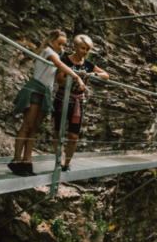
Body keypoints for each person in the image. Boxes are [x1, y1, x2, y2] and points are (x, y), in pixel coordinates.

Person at [9, 29, 86, 176]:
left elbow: (57, 76)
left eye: (63, 44)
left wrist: (77, 73)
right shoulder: (47, 50)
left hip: (46, 91)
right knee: (28, 125)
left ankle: (27, 161)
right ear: (51, 40)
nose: (61, 47)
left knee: (35, 127)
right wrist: (77, 77)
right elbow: (60, 65)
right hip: (35, 88)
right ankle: (16, 161)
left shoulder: (55, 54)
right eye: (59, 43)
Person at [52, 34, 109, 171]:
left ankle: (66, 163)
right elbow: (60, 80)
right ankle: (58, 161)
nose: (85, 51)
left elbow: (106, 75)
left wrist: (91, 74)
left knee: (73, 135)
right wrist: (77, 76)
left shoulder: (88, 65)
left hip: (77, 102)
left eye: (87, 49)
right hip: (62, 99)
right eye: (83, 48)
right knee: (58, 131)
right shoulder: (65, 60)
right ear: (75, 47)